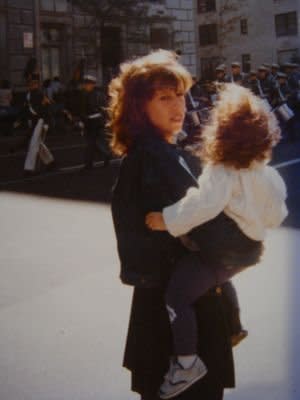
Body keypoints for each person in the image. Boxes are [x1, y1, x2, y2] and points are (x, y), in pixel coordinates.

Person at [109, 50, 241, 400]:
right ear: (139, 108)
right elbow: (202, 225)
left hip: (173, 302)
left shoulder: (163, 153)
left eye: (180, 95)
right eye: (164, 98)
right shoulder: (153, 158)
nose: (177, 105)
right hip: (177, 309)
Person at [146, 83, 288, 399]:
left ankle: (186, 364)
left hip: (221, 249)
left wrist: (165, 219)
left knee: (177, 296)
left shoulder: (221, 169)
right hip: (250, 250)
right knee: (218, 280)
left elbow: (201, 205)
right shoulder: (267, 174)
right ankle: (234, 325)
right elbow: (277, 215)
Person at [79, 74, 110, 169]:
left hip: (96, 122)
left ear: (92, 84)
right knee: (92, 144)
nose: (85, 86)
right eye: (85, 84)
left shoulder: (97, 95)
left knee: (93, 143)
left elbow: (104, 109)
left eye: (87, 84)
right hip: (90, 122)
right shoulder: (85, 94)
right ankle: (101, 158)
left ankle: (91, 163)